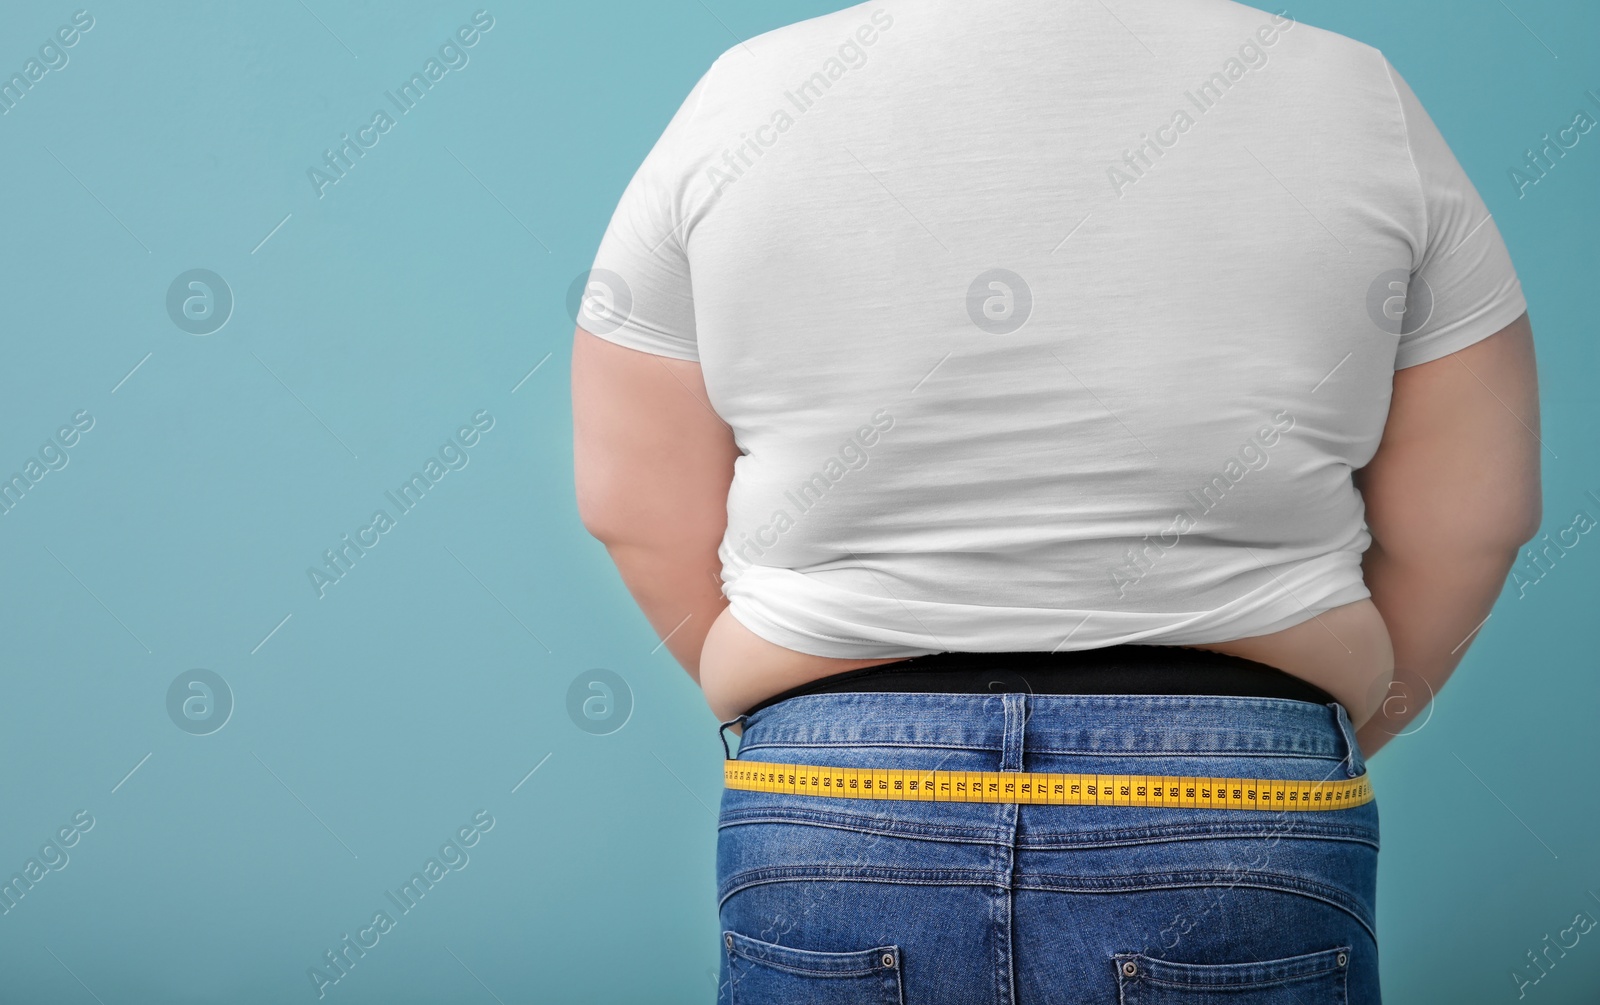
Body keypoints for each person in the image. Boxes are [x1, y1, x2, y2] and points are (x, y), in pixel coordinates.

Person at [570, 1, 1541, 1001]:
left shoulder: (745, 97)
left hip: (829, 790)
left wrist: (828, 705)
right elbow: (1474, 519)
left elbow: (631, 505)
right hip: (1234, 787)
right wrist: (1287, 733)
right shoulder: (1351, 92)